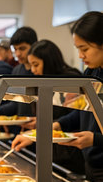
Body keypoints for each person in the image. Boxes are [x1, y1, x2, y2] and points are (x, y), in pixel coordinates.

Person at [13, 11, 103, 182]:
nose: (80, 56)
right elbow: (81, 112)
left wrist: (95, 139)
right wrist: (48, 128)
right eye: (78, 49)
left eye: (84, 49)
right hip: (91, 164)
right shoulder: (91, 73)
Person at [9, 39, 84, 173]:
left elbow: (74, 116)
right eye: (31, 65)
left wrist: (37, 133)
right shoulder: (44, 80)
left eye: (36, 65)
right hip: (50, 150)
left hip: (69, 153)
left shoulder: (71, 79)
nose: (33, 70)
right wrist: (37, 123)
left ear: (49, 61)